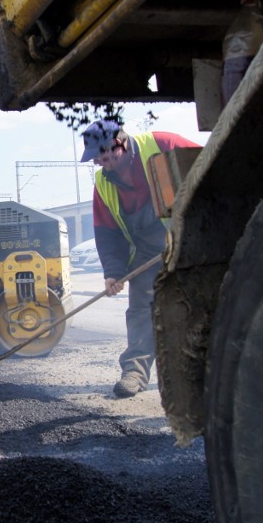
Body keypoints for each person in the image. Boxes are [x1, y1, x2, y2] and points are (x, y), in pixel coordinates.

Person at [80, 120, 199, 398]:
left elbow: (216, 166)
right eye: (96, 158)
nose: (99, 163)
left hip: (193, 240)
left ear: (119, 144)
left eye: (103, 156)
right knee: (140, 310)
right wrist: (113, 271)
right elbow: (107, 230)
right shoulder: (103, 183)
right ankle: (134, 371)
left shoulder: (163, 145)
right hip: (148, 251)